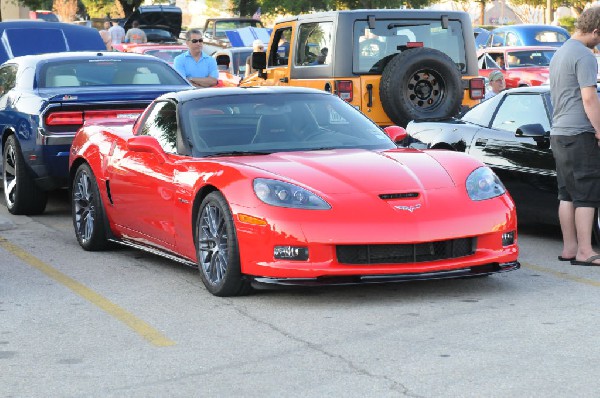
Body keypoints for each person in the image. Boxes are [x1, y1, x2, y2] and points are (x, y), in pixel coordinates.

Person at [549, 7, 600, 266]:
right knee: (587, 194)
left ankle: (569, 248)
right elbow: (589, 98)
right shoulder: (585, 56)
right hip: (579, 133)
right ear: (594, 31)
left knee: (566, 194)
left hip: (558, 133)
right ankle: (585, 252)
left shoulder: (560, 53)